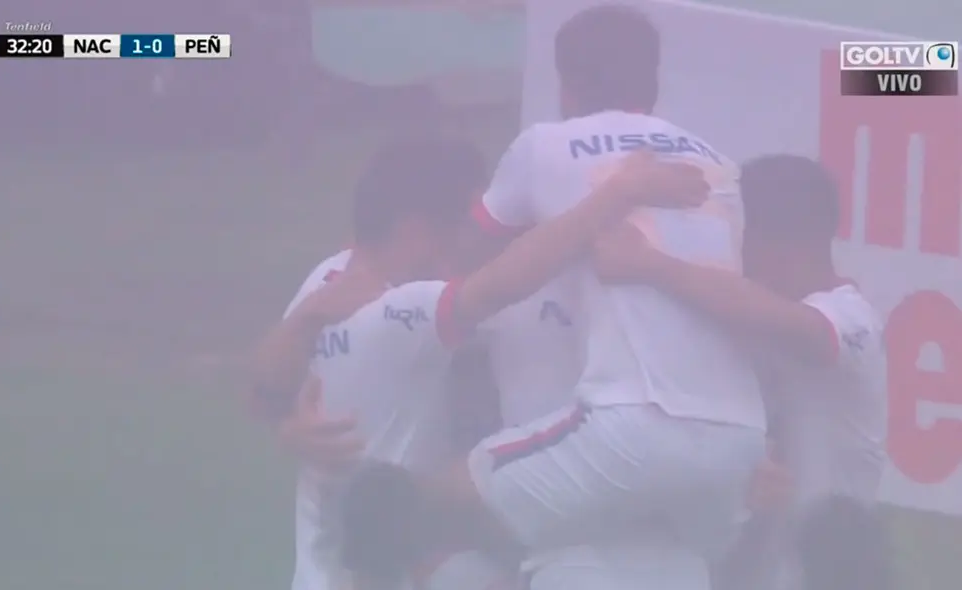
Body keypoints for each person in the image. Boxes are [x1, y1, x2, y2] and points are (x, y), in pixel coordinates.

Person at [342, 5, 766, 590]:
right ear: (653, 82)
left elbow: (470, 255)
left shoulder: (544, 145)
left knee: (419, 499)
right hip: (738, 444)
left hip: (632, 423)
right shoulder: (717, 163)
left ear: (566, 87)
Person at [252, 133, 708, 590]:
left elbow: (267, 391)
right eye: (468, 224)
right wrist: (618, 193)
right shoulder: (402, 310)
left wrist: (283, 423)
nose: (477, 239)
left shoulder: (324, 284)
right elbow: (503, 283)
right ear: (416, 230)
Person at [593, 154, 888, 590]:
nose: (728, 253)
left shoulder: (851, 317)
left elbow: (804, 330)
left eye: (735, 236)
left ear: (771, 243)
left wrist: (648, 264)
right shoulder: (743, 322)